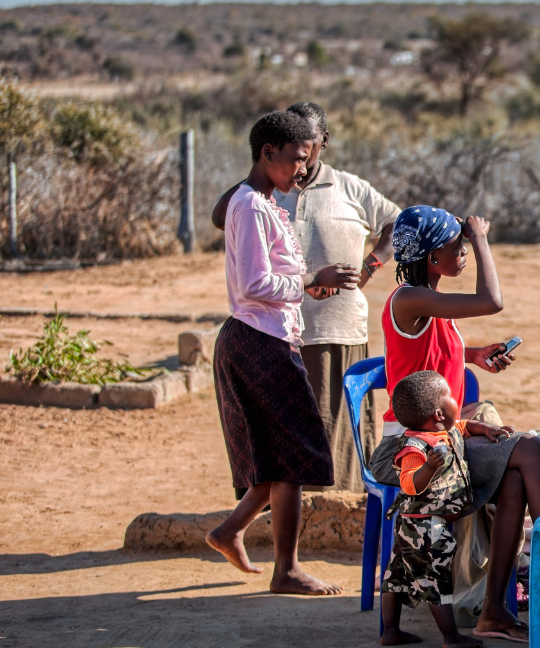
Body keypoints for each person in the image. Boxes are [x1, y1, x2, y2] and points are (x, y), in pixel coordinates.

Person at [378, 206, 540, 641]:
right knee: (528, 449)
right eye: (457, 248)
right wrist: (480, 236)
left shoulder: (430, 300)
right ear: (433, 257)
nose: (464, 254)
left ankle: (495, 610)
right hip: (414, 444)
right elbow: (493, 301)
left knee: (514, 482)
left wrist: (473, 355)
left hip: (443, 433)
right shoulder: (410, 298)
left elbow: (428, 351)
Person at [204, 110, 359, 595]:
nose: (302, 169)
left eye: (307, 159)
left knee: (278, 454)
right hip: (260, 339)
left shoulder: (267, 203)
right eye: (295, 159)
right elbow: (255, 284)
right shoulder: (250, 205)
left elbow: (270, 280)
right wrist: (314, 279)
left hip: (264, 334)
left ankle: (230, 530)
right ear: (267, 153)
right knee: (292, 456)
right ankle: (286, 569)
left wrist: (304, 289)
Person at [213, 101, 401, 492]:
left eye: (309, 147)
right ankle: (275, 528)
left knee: (335, 429)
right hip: (277, 332)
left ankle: (332, 513)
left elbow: (395, 222)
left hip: (337, 327)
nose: (303, 160)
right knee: (285, 439)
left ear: (322, 143)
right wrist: (311, 277)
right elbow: (227, 223)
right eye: (293, 150)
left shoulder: (347, 187)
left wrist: (369, 268)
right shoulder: (262, 193)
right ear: (273, 149)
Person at [379, 371, 483, 648]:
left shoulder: (442, 432)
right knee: (436, 580)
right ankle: (451, 637)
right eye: (450, 394)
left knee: (397, 575)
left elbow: (462, 427)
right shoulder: (416, 446)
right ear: (438, 413)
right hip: (424, 527)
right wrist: (429, 467)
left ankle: (390, 632)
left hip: (417, 525)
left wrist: (485, 429)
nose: (455, 398)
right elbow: (409, 484)